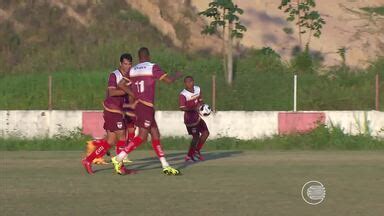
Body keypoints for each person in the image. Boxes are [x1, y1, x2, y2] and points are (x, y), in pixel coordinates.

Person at [112, 47, 182, 175]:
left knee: (155, 134)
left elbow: (121, 84)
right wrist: (176, 75)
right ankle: (119, 158)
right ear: (148, 56)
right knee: (142, 136)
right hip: (145, 106)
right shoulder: (152, 67)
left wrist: (133, 93)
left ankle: (165, 165)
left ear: (139, 57)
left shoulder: (133, 70)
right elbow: (169, 80)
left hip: (141, 106)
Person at [82, 53, 135, 175]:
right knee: (122, 137)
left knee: (110, 141)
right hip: (112, 109)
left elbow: (129, 95)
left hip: (117, 110)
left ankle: (88, 160)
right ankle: (120, 166)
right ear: (120, 63)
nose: (127, 66)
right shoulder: (114, 75)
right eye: (125, 64)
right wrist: (127, 91)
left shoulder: (129, 77)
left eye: (130, 64)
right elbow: (111, 92)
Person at [179, 76, 209, 161]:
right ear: (185, 83)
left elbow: (200, 100)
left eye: (190, 81)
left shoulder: (198, 89)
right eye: (187, 82)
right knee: (196, 137)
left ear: (193, 81)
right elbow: (182, 108)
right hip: (190, 119)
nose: (189, 84)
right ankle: (189, 155)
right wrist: (193, 109)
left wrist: (203, 108)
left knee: (206, 133)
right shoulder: (183, 94)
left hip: (197, 117)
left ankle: (196, 151)